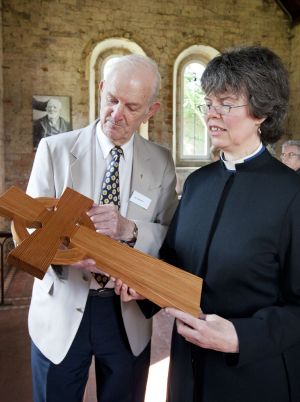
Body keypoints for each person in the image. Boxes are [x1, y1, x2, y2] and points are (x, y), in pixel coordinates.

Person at [26, 54, 178, 402]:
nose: (116, 114)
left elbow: (169, 232)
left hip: (126, 315)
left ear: (150, 112)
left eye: (131, 106)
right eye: (111, 100)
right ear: (100, 90)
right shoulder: (54, 150)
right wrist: (65, 255)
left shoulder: (161, 161)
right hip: (61, 310)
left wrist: (131, 229)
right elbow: (31, 230)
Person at [158, 46, 300, 402]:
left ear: (262, 112)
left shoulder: (292, 193)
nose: (211, 115)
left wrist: (241, 337)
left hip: (253, 376)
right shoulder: (197, 183)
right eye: (208, 103)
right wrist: (139, 283)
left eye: (226, 103)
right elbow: (174, 261)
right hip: (187, 373)